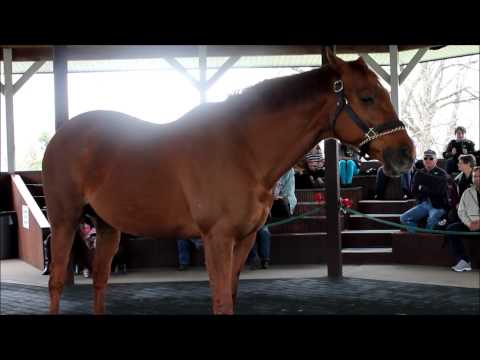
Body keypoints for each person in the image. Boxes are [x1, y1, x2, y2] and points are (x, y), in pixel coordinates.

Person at [247, 168, 297, 269]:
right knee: (253, 230)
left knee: (263, 230)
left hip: (275, 206)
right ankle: (255, 259)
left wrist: (277, 198)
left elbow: (288, 194)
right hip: (256, 208)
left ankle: (264, 260)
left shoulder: (288, 171)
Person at [400, 149, 449, 232]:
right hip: (424, 204)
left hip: (438, 205)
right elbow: (414, 191)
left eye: (431, 158)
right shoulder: (419, 173)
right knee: (404, 218)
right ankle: (417, 236)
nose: (428, 160)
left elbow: (439, 192)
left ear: (436, 160)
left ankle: (427, 240)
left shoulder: (442, 173)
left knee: (432, 220)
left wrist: (423, 188)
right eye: (425, 158)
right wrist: (429, 188)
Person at [445, 166, 480, 272]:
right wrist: (468, 223)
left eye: (479, 176)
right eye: (475, 176)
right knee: (451, 229)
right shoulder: (467, 192)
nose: (477, 179)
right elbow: (461, 211)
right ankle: (463, 261)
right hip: (471, 225)